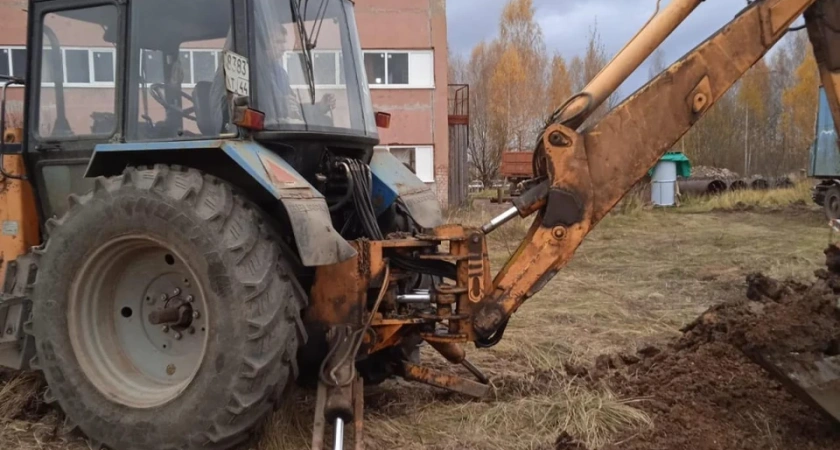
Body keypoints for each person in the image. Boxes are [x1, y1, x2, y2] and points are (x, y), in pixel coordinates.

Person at [267, 25, 335, 122]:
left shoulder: (280, 74)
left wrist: (319, 107)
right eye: (278, 42)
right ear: (264, 42)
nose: (284, 48)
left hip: (283, 125)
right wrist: (281, 105)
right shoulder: (255, 71)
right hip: (267, 127)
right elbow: (254, 105)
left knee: (326, 121)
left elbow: (295, 108)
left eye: (284, 43)